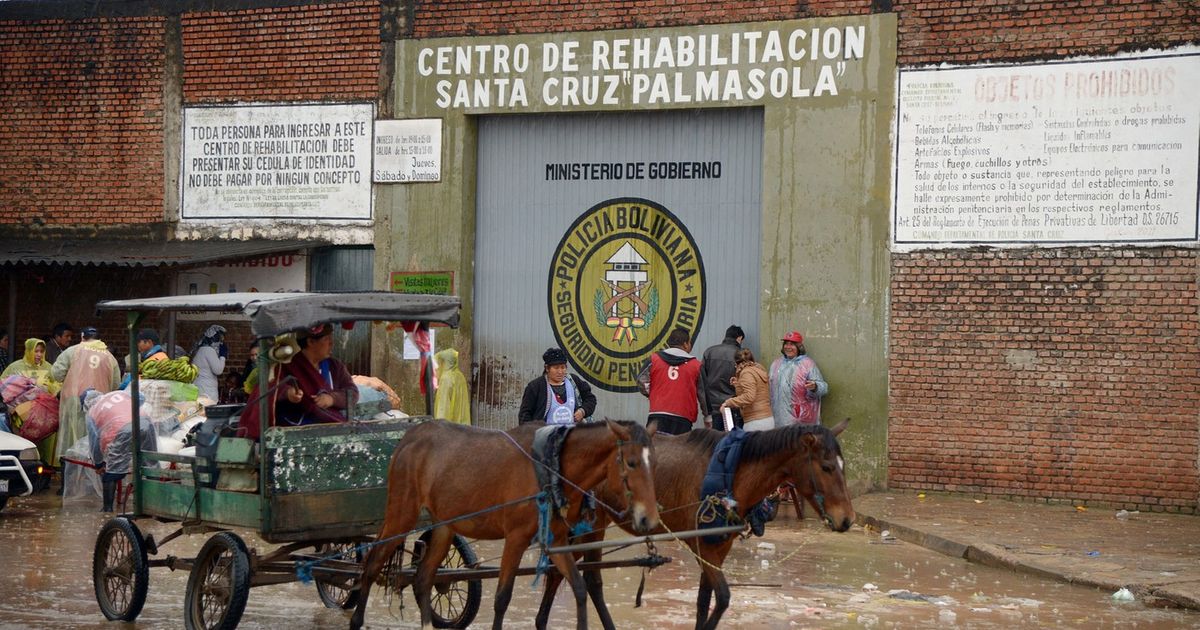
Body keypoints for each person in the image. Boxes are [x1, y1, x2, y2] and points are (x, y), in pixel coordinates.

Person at [238, 323, 355, 440]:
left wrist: (332, 399)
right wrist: (288, 393)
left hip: (332, 432)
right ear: (311, 342)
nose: (331, 344)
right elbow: (269, 388)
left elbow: (352, 392)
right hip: (293, 435)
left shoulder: (335, 367)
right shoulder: (287, 365)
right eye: (327, 339)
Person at [51, 326, 120, 470]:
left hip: (73, 401)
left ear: (82, 337)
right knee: (92, 440)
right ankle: (89, 478)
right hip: (99, 405)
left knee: (69, 439)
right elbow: (115, 385)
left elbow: (56, 374)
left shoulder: (72, 351)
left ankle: (67, 481)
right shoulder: (109, 357)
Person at [83, 389, 155, 512]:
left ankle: (107, 510)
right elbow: (141, 398)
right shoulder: (118, 393)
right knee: (150, 464)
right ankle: (155, 504)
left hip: (121, 429)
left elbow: (94, 442)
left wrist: (99, 464)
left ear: (86, 404)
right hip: (145, 422)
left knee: (112, 472)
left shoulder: (91, 412)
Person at [1, 338, 62, 465]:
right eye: (36, 351)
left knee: (46, 443)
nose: (39, 354)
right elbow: (4, 386)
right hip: (21, 414)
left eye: (41, 351)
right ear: (28, 351)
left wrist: (48, 389)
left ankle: (46, 469)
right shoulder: (15, 367)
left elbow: (57, 386)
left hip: (44, 415)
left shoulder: (49, 368)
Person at [636, 328, 703, 435]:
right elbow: (702, 393)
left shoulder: (654, 359)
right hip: (683, 417)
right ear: (686, 344)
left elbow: (641, 381)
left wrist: (652, 394)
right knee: (679, 450)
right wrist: (707, 416)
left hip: (657, 415)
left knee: (654, 449)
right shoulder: (696, 365)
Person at [518, 347, 597, 425]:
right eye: (556, 368)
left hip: (572, 435)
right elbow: (524, 415)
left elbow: (590, 399)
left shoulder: (573, 381)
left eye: (563, 367)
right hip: (545, 435)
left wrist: (582, 411)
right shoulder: (535, 387)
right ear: (547, 368)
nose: (560, 371)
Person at [768, 331, 828, 426]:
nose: (788, 347)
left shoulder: (807, 364)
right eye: (786, 344)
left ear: (799, 347)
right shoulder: (776, 364)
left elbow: (824, 387)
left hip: (801, 420)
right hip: (779, 419)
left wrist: (815, 387)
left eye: (792, 344)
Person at [699, 325, 744, 431]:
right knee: (732, 441)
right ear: (739, 338)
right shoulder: (740, 354)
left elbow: (702, 382)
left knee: (715, 442)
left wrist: (707, 412)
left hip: (713, 408)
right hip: (733, 407)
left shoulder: (709, 352)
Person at [720, 349, 774, 432]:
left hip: (755, 421)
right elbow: (756, 389)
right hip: (767, 418)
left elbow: (749, 396)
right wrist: (738, 384)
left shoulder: (746, 373)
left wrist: (729, 402)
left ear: (736, 363)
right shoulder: (758, 370)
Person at [434, 348, 471, 425]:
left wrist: (440, 426)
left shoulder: (445, 379)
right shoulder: (460, 375)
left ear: (444, 362)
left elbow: (443, 406)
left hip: (449, 429)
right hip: (462, 425)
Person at [191, 324, 228, 402]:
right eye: (219, 339)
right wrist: (223, 356)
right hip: (206, 392)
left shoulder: (201, 350)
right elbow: (218, 370)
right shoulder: (208, 350)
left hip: (201, 389)